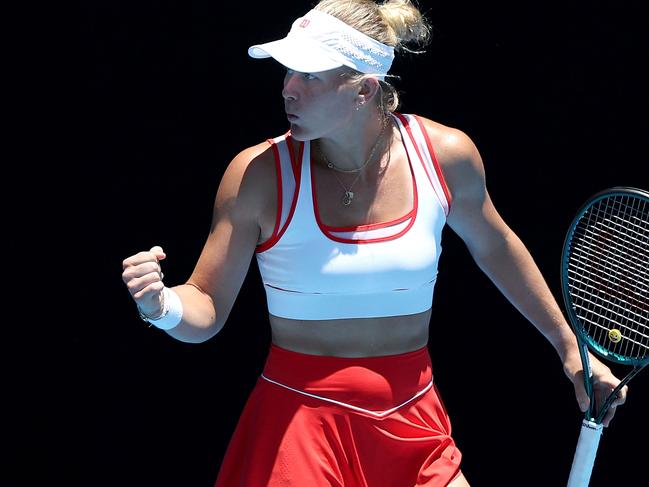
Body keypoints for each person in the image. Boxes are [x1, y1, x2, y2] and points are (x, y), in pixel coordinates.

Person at [121, 1, 629, 485]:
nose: (287, 89)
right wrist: (161, 305)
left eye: (310, 77)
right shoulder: (257, 175)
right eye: (287, 72)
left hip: (416, 424)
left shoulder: (446, 155)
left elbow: (496, 247)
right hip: (299, 424)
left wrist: (568, 348)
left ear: (363, 90)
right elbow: (205, 309)